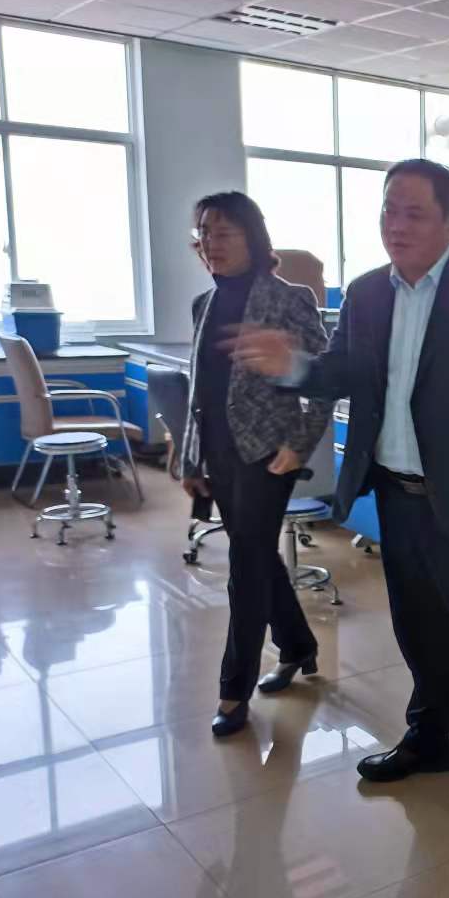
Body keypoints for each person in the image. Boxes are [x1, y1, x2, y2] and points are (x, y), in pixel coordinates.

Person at [230, 158, 449, 830]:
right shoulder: (366, 294)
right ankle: (430, 738)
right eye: (388, 210)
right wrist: (293, 365)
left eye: (414, 212)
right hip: (398, 498)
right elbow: (341, 372)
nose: (396, 225)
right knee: (420, 632)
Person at [180, 192, 332, 738]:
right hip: (218, 451)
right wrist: (191, 456)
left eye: (224, 232)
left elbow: (324, 378)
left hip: (270, 453)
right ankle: (297, 645)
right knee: (259, 554)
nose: (211, 244)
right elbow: (200, 387)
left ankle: (233, 690)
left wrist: (301, 444)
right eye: (204, 233)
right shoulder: (204, 303)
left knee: (245, 564)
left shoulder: (290, 299)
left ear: (252, 237)